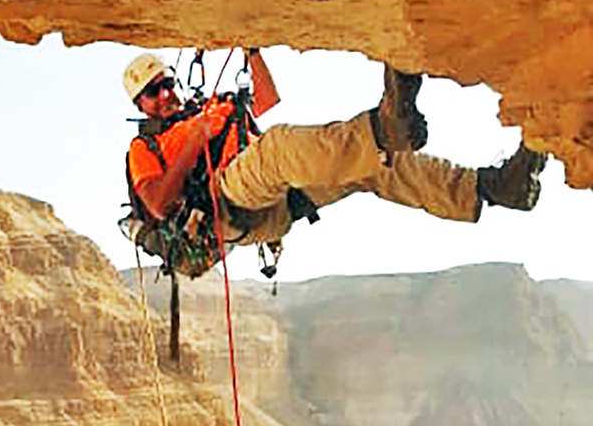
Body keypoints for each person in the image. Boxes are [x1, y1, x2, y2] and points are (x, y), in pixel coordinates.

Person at [122, 50, 546, 275]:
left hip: (272, 205)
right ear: (140, 103)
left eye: (167, 83)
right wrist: (195, 140)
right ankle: (386, 128)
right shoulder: (145, 148)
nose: (165, 94)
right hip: (221, 203)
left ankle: (495, 188)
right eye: (153, 91)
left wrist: (251, 50)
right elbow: (158, 203)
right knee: (277, 148)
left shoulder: (206, 108)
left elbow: (267, 99)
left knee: (374, 167)